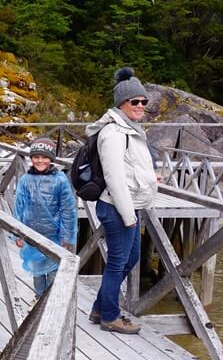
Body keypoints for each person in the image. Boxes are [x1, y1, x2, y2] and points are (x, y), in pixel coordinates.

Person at [87, 67, 158, 334]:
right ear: (121, 104)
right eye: (134, 102)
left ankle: (99, 308)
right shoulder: (114, 133)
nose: (140, 106)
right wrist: (128, 216)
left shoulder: (130, 128)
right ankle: (110, 317)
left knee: (129, 259)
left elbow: (130, 168)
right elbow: (114, 177)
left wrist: (151, 177)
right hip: (117, 206)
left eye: (143, 102)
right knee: (119, 262)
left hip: (129, 205)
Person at [14, 137, 78, 298]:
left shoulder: (60, 181)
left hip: (54, 235)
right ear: (31, 158)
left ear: (51, 159)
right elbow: (19, 207)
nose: (40, 160)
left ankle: (48, 302)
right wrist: (17, 233)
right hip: (32, 234)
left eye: (44, 157)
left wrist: (67, 236)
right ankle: (38, 299)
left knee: (52, 272)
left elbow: (68, 210)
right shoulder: (25, 180)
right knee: (37, 272)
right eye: (36, 157)